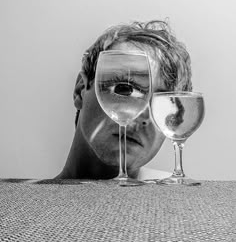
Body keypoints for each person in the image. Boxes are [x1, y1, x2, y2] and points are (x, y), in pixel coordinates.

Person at [54, 20, 192, 182]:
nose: (143, 115)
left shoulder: (182, 199)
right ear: (80, 91)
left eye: (163, 104)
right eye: (124, 89)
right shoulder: (25, 200)